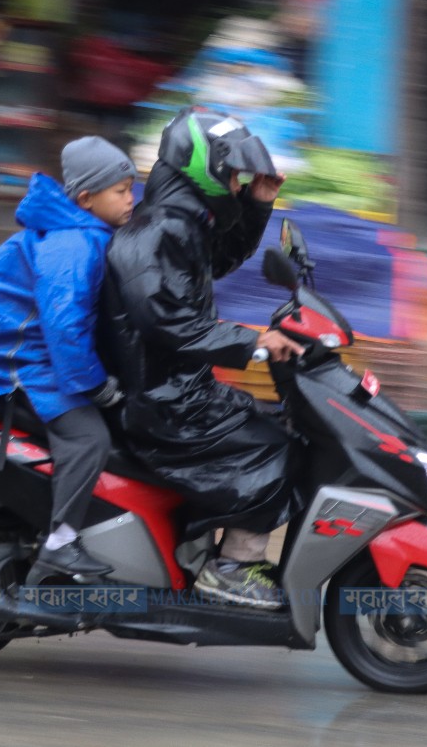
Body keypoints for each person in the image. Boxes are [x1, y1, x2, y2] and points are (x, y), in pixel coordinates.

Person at [103, 106, 305, 609]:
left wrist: (258, 205)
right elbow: (167, 322)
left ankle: (211, 549)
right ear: (202, 169)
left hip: (182, 388)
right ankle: (233, 567)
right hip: (163, 400)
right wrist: (253, 342)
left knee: (280, 423)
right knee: (272, 445)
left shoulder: (178, 225)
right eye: (233, 176)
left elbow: (218, 261)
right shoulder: (153, 233)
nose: (236, 184)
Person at [0, 136, 136, 584]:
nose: (131, 199)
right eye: (121, 191)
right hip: (5, 361)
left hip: (28, 350)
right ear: (87, 198)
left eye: (131, 189)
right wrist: (94, 385)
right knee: (89, 438)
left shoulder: (82, 231)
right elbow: (66, 327)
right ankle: (60, 545)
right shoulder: (72, 245)